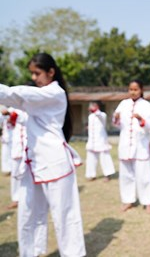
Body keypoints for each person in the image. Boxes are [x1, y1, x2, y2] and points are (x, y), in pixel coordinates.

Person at [0, 53, 86, 257]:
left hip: (54, 163)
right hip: (33, 164)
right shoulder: (40, 97)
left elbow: (17, 96)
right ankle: (31, 252)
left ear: (51, 72)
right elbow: (19, 106)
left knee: (65, 216)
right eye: (32, 74)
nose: (33, 78)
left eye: (37, 73)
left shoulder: (53, 93)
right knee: (28, 214)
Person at [113, 79, 150, 213]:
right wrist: (116, 118)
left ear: (141, 90)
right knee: (126, 175)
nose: (133, 92)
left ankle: (147, 202)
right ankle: (128, 200)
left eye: (136, 89)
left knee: (144, 175)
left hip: (141, 145)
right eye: (131, 89)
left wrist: (141, 120)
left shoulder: (147, 106)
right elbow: (116, 124)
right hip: (125, 144)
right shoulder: (123, 104)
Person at [3, 107, 28, 209]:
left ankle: (28, 197)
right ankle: (16, 199)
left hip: (29, 147)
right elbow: (10, 120)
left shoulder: (30, 106)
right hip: (17, 146)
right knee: (15, 173)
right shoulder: (13, 108)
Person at [85, 101, 115, 182]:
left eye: (93, 105)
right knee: (91, 159)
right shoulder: (90, 116)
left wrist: (95, 110)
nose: (90, 107)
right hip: (92, 140)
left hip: (101, 140)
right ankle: (91, 175)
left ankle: (107, 174)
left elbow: (99, 115)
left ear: (97, 106)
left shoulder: (102, 115)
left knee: (104, 158)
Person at [0, 108, 13, 175]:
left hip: (14, 136)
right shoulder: (2, 112)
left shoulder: (13, 109)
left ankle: (12, 169)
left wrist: (9, 113)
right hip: (5, 136)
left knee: (13, 153)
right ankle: (7, 169)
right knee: (5, 154)